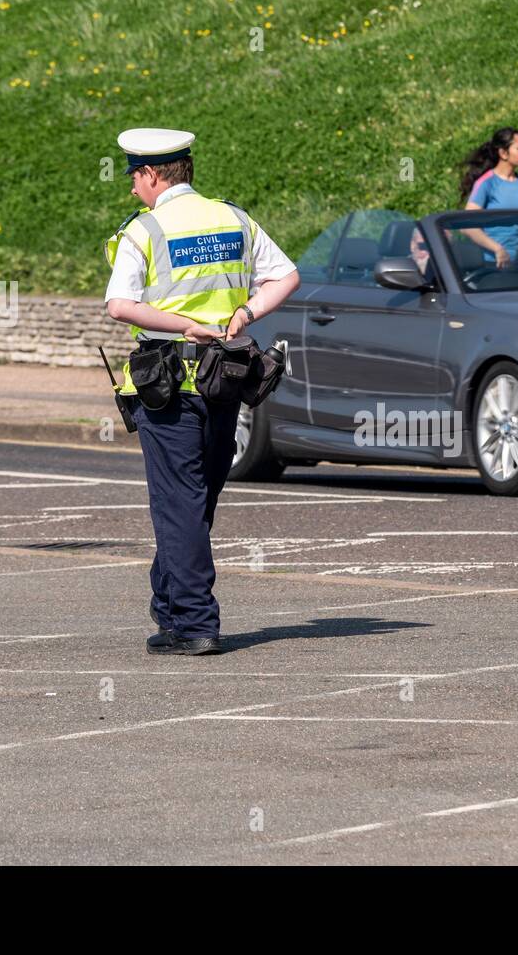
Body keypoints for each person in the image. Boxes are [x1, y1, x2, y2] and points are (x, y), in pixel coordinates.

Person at [104, 127, 299, 656]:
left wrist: (183, 325)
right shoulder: (234, 218)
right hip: (226, 382)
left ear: (149, 174)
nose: (131, 191)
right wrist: (246, 312)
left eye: (134, 179)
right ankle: (169, 603)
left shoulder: (143, 230)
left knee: (178, 502)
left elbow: (120, 305)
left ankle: (193, 624)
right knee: (198, 498)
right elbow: (286, 276)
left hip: (169, 385)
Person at [457, 127, 518, 269]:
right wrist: (497, 249)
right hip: (491, 264)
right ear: (503, 153)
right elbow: (467, 226)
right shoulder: (487, 183)